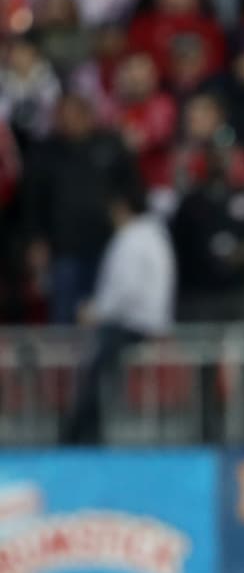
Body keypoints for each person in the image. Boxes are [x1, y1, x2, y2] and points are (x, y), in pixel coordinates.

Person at [61, 178, 175, 444]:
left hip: (131, 324)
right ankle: (84, 431)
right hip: (149, 321)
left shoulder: (132, 238)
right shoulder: (155, 235)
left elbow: (124, 288)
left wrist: (96, 311)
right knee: (97, 371)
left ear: (122, 208)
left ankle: (81, 436)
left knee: (95, 374)